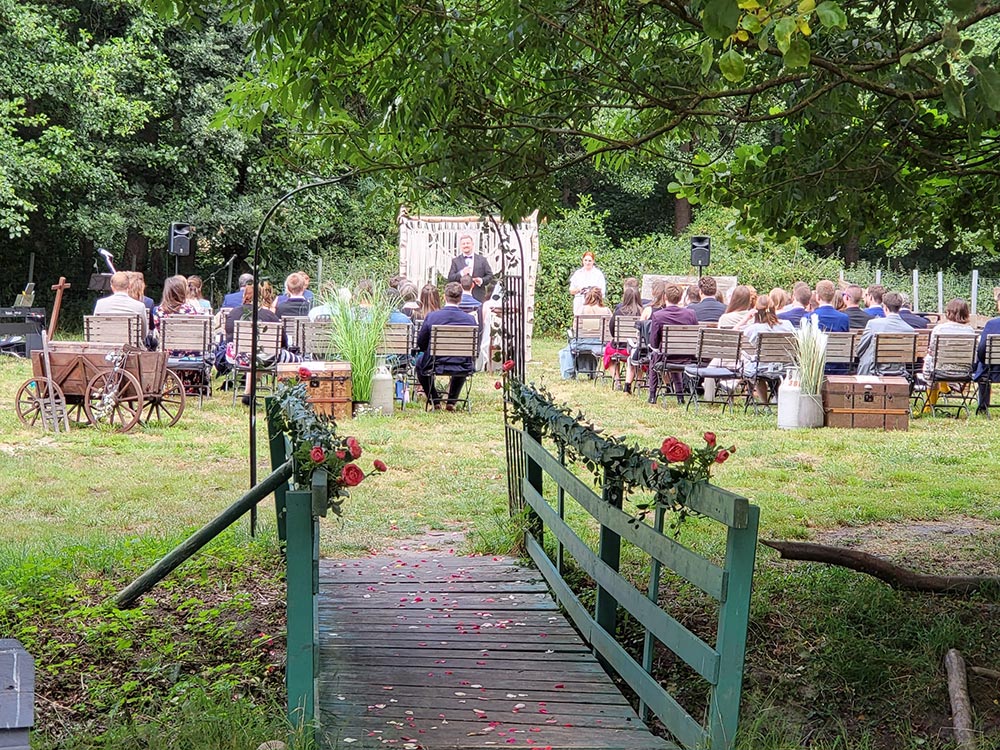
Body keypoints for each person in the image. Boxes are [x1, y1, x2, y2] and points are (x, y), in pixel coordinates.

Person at [415, 282, 478, 411]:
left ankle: (435, 400)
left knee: (419, 365)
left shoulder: (432, 317)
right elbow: (473, 348)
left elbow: (421, 343)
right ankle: (451, 401)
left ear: (444, 297)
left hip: (435, 363)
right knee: (463, 359)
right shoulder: (470, 320)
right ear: (460, 298)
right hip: (461, 364)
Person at [646, 283, 698, 404]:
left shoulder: (658, 315)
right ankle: (680, 396)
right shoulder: (691, 314)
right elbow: (696, 335)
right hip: (687, 357)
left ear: (665, 297)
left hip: (666, 357)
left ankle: (652, 395)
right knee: (668, 353)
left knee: (654, 356)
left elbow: (654, 344)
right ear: (680, 298)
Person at [920, 298, 975, 410]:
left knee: (930, 359)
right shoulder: (970, 331)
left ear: (948, 312)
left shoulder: (939, 329)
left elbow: (931, 350)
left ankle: (929, 406)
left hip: (940, 370)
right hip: (963, 371)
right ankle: (944, 387)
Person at [740, 293, 795, 404]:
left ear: (757, 311)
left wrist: (747, 318)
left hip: (761, 368)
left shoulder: (754, 328)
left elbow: (734, 334)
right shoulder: (787, 325)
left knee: (755, 370)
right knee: (775, 369)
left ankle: (765, 403)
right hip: (784, 367)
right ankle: (780, 400)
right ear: (774, 309)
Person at [855, 291, 914, 375]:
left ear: (885, 307)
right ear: (900, 307)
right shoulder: (910, 330)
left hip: (873, 371)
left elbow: (860, 349)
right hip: (898, 372)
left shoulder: (873, 324)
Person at [559, 288, 611, 378]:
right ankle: (592, 371)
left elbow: (575, 329)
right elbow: (610, 329)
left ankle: (569, 373)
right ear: (600, 297)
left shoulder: (581, 310)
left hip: (582, 344)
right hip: (601, 345)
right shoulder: (607, 311)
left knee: (566, 350)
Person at [93, 271, 149, 338]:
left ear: (112, 287)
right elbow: (144, 334)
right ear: (129, 286)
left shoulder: (100, 304)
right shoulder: (140, 306)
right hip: (131, 347)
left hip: (106, 346)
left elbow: (95, 329)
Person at [605, 286, 643, 379]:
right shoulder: (643, 313)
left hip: (620, 348)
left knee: (608, 350)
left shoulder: (618, 312)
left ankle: (617, 380)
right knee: (643, 353)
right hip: (638, 350)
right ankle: (639, 381)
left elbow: (612, 330)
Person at [974, 288, 1000, 415]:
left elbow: (982, 349)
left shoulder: (992, 324)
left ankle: (983, 406)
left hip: (994, 371)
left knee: (982, 364)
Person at [447, 234, 494, 303]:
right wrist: (461, 273)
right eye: (463, 244)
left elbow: (490, 276)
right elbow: (450, 278)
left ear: (472, 244)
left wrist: (481, 280)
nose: (466, 245)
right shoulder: (455, 261)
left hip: (478, 296)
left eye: (468, 243)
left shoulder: (482, 260)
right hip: (460, 297)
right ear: (461, 246)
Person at [568, 251, 607, 315]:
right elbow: (571, 290)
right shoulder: (577, 273)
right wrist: (579, 290)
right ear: (582, 260)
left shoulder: (598, 274)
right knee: (578, 323)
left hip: (593, 305)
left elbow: (602, 292)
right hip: (579, 304)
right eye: (585, 260)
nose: (587, 262)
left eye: (589, 261)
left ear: (593, 261)